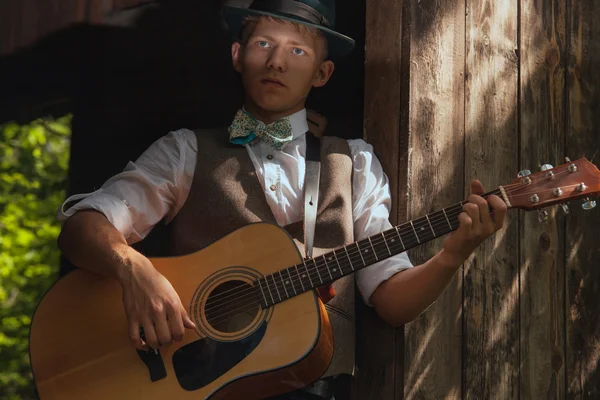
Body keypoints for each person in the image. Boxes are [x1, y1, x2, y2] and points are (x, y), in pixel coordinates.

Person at [56, 1, 507, 399]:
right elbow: (83, 226)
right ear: (237, 55)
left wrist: (454, 253)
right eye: (263, 44)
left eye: (297, 51)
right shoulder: (185, 151)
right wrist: (132, 268)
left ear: (322, 72)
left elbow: (390, 299)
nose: (276, 62)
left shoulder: (354, 163)